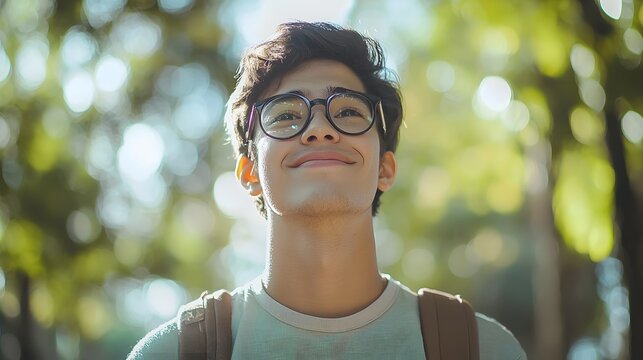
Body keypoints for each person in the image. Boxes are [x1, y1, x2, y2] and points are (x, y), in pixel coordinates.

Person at [127, 21, 526, 359]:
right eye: (286, 115)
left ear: (385, 168)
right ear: (249, 173)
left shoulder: (483, 348)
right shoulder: (171, 352)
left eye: (349, 111)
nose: (320, 128)